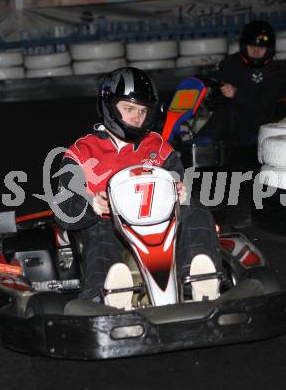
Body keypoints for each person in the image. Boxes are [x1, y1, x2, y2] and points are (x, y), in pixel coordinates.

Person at [54, 67, 222, 309]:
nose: (136, 118)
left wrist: (182, 193)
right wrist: (92, 204)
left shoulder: (159, 147)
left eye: (142, 111)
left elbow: (180, 181)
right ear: (110, 106)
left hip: (159, 225)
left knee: (195, 209)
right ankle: (103, 298)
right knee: (100, 230)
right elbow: (64, 209)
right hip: (108, 226)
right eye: (129, 109)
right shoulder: (82, 152)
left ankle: (198, 282)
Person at [196, 20, 282, 143]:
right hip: (230, 125)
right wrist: (208, 90)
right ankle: (197, 142)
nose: (256, 52)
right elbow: (213, 91)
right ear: (244, 45)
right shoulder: (230, 64)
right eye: (252, 47)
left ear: (269, 48)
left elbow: (266, 108)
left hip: (257, 126)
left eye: (261, 48)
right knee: (224, 110)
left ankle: (204, 143)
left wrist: (237, 94)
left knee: (230, 110)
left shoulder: (274, 72)